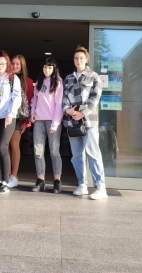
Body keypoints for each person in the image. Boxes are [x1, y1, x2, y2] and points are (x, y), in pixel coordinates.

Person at [63, 45, 108, 200]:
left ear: (86, 59)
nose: (78, 60)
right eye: (76, 58)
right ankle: (82, 184)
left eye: (81, 58)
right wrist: (68, 110)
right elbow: (64, 98)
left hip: (89, 121)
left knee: (93, 153)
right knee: (76, 156)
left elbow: (95, 98)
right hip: (72, 122)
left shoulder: (94, 76)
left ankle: (101, 187)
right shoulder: (68, 78)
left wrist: (81, 112)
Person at [0, 50, 22, 195]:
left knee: (2, 147)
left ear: (7, 64)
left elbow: (17, 98)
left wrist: (11, 114)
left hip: (8, 118)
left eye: (2, 63)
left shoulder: (13, 78)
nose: (0, 66)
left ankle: (6, 183)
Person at [30, 56, 64, 193]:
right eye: (45, 67)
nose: (47, 70)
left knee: (54, 151)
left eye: (50, 67)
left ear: (54, 68)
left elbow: (59, 104)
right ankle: (40, 180)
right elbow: (35, 99)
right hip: (39, 120)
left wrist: (55, 124)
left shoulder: (58, 82)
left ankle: (57, 180)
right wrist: (32, 112)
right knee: (38, 152)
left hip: (52, 121)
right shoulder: (39, 81)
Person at [6, 54, 34, 189]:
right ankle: (6, 175)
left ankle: (13, 176)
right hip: (6, 116)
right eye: (13, 63)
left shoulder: (28, 81)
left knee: (14, 145)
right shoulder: (7, 78)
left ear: (22, 66)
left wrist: (26, 122)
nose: (15, 66)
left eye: (18, 64)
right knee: (4, 145)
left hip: (19, 118)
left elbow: (30, 102)